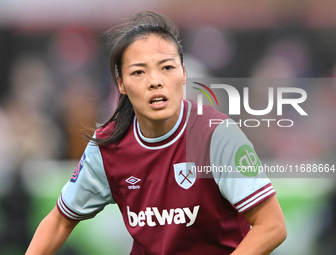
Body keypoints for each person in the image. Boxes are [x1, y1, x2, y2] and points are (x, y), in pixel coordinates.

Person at [25, 11, 286, 255]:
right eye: (138, 72)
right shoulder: (107, 145)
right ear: (121, 84)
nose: (155, 81)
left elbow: (272, 226)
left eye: (167, 68)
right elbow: (60, 221)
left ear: (184, 74)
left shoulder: (217, 135)